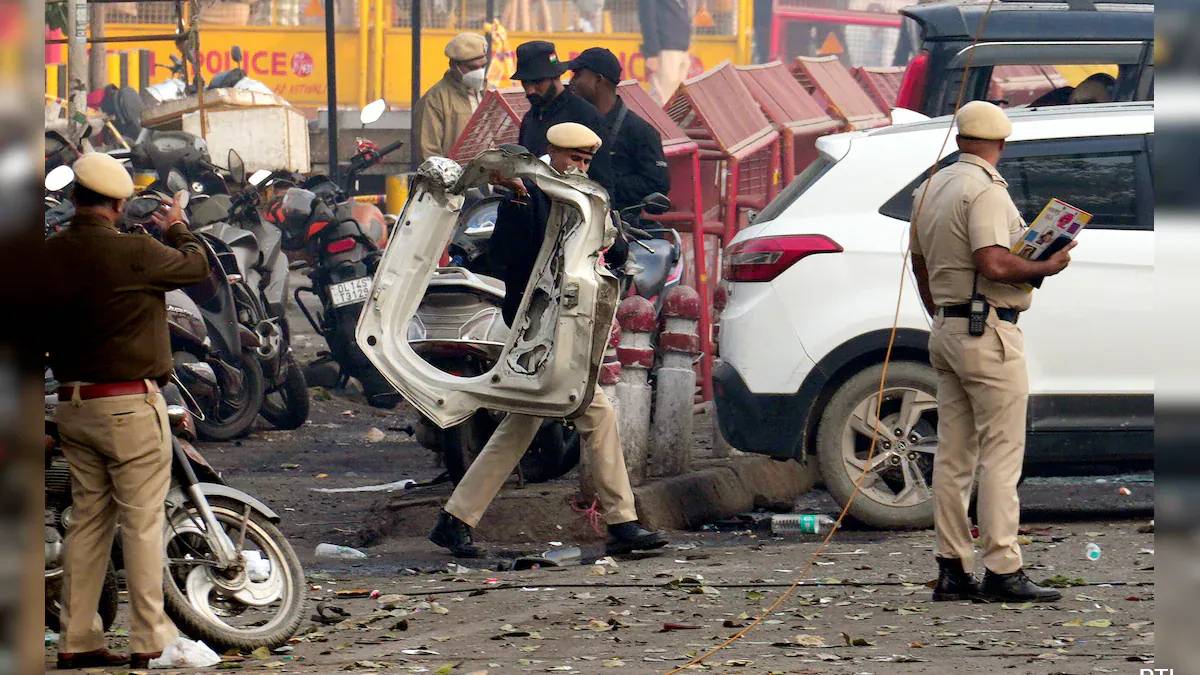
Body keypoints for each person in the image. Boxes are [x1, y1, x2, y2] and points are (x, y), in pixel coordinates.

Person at [429, 122, 667, 559]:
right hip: (535, 328)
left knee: (523, 423)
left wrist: (608, 226)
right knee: (594, 411)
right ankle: (622, 522)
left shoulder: (586, 197)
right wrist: (520, 197)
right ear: (551, 154)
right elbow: (507, 256)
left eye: (585, 160)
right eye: (572, 158)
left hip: (564, 327)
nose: (578, 166)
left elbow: (613, 253)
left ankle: (455, 519)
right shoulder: (527, 195)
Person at [45, 153, 210, 669]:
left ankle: (77, 638)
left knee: (88, 522)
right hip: (127, 407)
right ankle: (150, 640)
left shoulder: (49, 254)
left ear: (74, 199)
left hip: (72, 405)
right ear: (118, 205)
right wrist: (179, 226)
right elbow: (198, 268)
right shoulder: (135, 252)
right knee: (140, 524)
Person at [909, 101, 1076, 604]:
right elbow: (995, 263)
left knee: (954, 456)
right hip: (989, 332)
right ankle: (1004, 568)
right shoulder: (982, 190)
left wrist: (944, 312)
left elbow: (920, 266)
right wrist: (1049, 265)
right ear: (1001, 144)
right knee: (1001, 456)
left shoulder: (929, 188)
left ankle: (953, 568)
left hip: (948, 330)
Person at [567, 47, 670, 213]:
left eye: (578, 75)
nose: (572, 81)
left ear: (598, 80)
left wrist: (601, 183)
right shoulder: (572, 122)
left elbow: (657, 183)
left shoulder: (640, 132)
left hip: (622, 226)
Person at [513, 40, 606, 159]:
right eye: (525, 82)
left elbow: (599, 174)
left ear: (555, 76)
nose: (530, 90)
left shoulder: (585, 116)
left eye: (537, 82)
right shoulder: (529, 119)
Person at [416, 32, 491, 161]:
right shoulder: (435, 100)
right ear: (453, 65)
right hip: (455, 178)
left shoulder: (488, 92)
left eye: (483, 66)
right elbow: (429, 154)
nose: (479, 72)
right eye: (472, 68)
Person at [638, 0, 692, 105]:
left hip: (681, 48)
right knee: (662, 97)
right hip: (665, 48)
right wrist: (652, 53)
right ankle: (654, 120)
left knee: (676, 99)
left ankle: (669, 121)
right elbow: (647, 18)